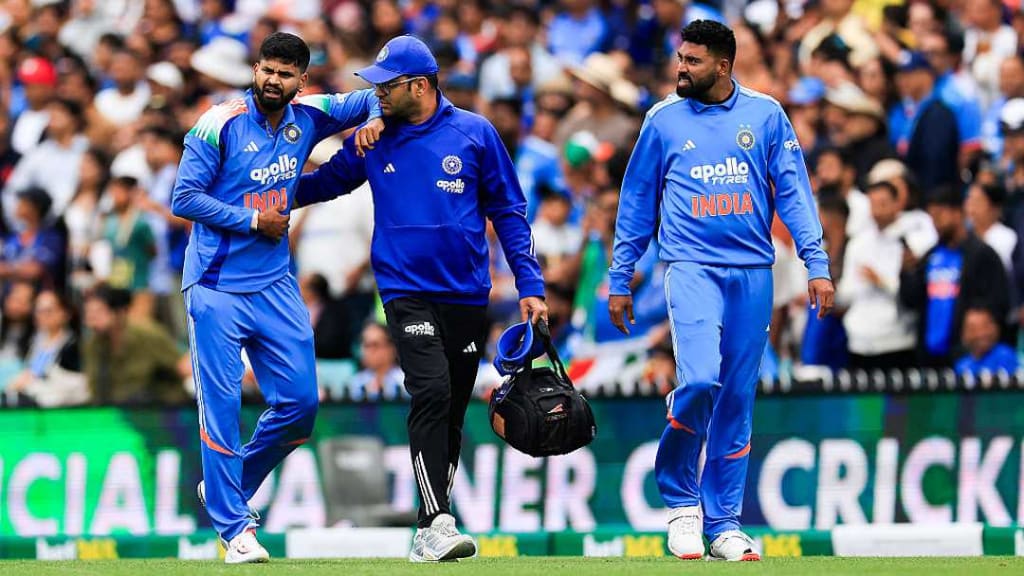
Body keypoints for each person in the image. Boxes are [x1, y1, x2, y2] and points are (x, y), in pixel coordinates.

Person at [295, 35, 547, 563]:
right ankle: (434, 522)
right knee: (430, 390)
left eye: (386, 86)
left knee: (451, 406)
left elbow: (508, 212)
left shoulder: (475, 132)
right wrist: (264, 190)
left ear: (419, 86)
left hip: (467, 294)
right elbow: (326, 184)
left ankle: (432, 527)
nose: (376, 94)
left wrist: (530, 285)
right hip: (404, 290)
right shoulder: (373, 137)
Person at [607, 21, 834, 561]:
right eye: (680, 58)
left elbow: (795, 193)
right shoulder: (663, 120)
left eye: (693, 60)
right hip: (690, 267)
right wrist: (620, 276)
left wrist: (816, 262)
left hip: (753, 271)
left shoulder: (766, 115)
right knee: (700, 379)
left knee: (736, 396)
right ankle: (682, 506)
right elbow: (636, 202)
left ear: (723, 66)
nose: (681, 68)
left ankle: (725, 523)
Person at [170, 32, 383, 564]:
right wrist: (251, 220)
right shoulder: (217, 123)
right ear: (256, 69)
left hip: (274, 285)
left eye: (285, 74)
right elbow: (184, 197)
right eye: (267, 69)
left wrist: (378, 118)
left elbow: (375, 95)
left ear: (301, 81)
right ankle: (235, 529)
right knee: (221, 409)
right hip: (216, 287)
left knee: (300, 406)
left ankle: (230, 484)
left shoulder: (308, 116)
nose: (273, 80)